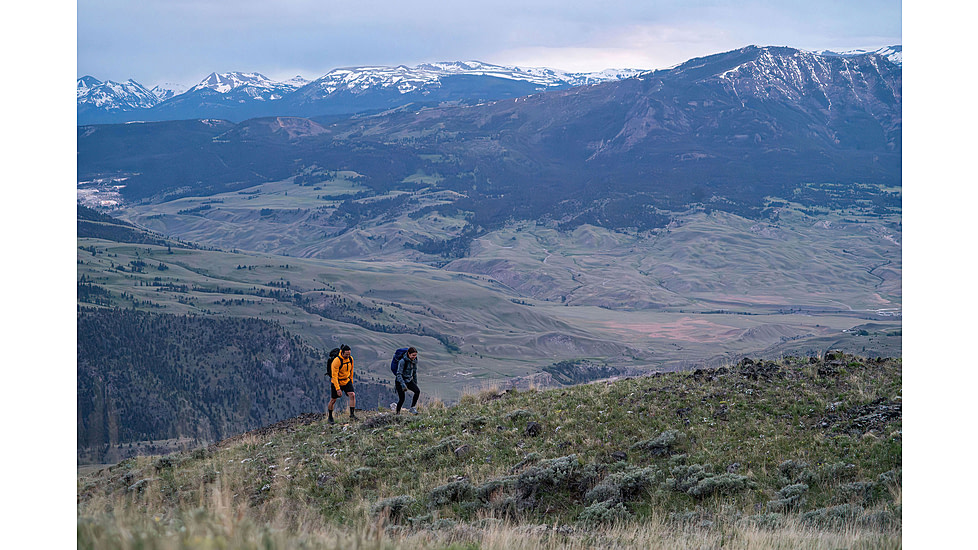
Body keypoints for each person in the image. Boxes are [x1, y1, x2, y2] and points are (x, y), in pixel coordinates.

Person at [328, 344, 357, 423]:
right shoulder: (336, 361)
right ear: (342, 353)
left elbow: (351, 371)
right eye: (346, 354)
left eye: (349, 354)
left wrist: (351, 382)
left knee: (352, 395)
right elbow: (334, 376)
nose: (348, 356)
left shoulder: (350, 359)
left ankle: (352, 415)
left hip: (346, 380)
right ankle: (330, 417)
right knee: (333, 400)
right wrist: (338, 389)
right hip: (337, 382)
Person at [393, 347, 421, 415]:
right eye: (413, 355)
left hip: (409, 380)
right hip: (400, 381)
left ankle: (412, 408)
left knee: (417, 391)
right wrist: (403, 385)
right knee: (402, 399)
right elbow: (399, 374)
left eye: (415, 355)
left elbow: (414, 372)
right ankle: (397, 413)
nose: (414, 357)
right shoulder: (402, 361)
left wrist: (415, 383)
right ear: (408, 354)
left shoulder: (414, 361)